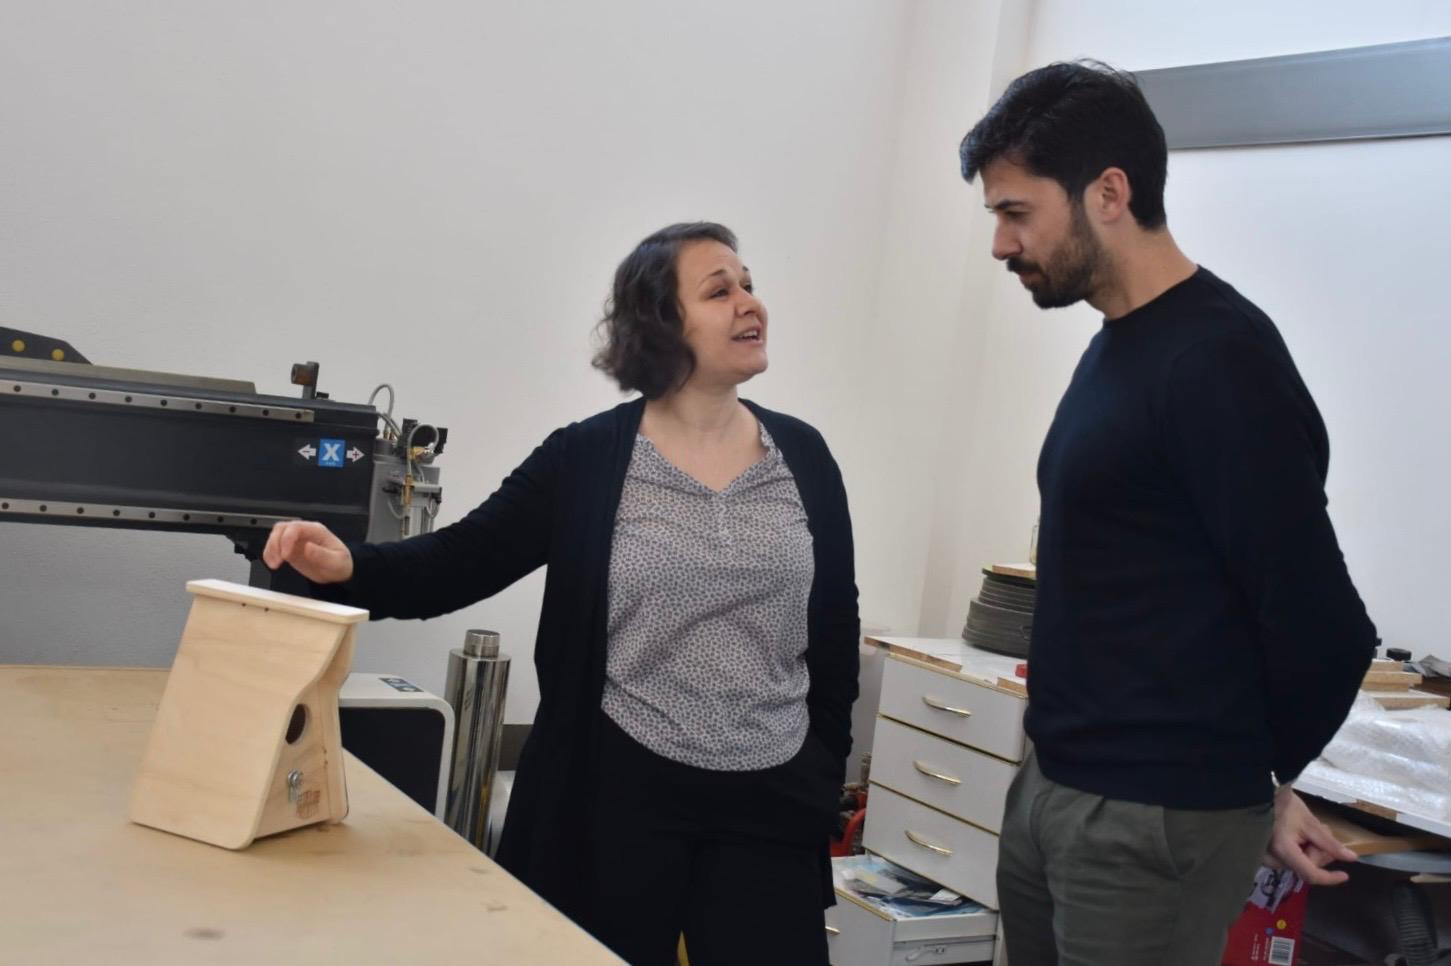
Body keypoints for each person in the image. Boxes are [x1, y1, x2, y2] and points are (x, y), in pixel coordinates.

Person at [263, 221, 859, 966]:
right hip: (618, 799)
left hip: (770, 804)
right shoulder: (586, 459)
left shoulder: (802, 456)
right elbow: (461, 561)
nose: (750, 303)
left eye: (748, 283)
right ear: (660, 323)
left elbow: (834, 632)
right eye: (719, 290)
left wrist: (819, 767)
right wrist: (350, 565)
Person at [957, 62, 1376, 965]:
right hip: (1056, 785)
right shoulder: (1117, 350)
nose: (998, 243)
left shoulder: (1219, 364)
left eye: (1015, 212)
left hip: (1149, 819)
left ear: (1108, 192)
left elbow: (1322, 624)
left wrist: (1240, 782)